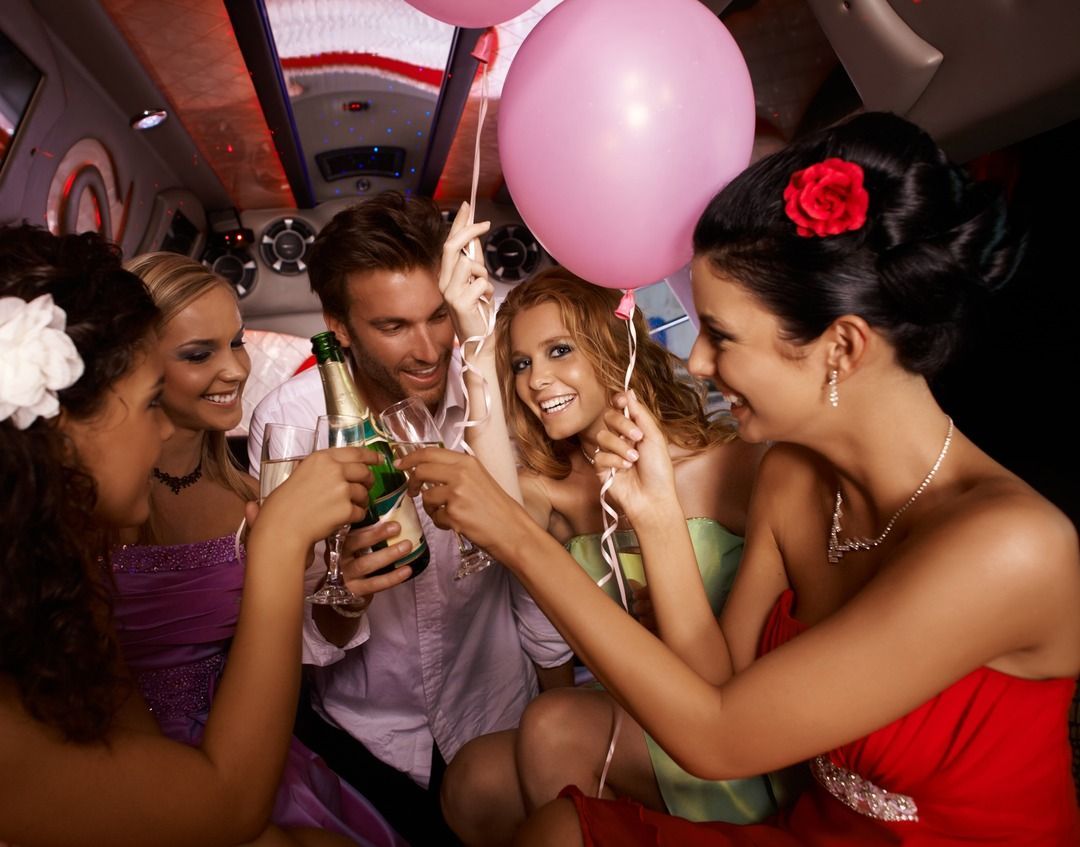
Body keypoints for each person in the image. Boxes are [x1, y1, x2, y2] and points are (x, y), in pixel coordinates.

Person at [398, 112, 1080, 845]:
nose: (695, 362)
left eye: (720, 334)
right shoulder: (793, 477)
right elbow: (718, 680)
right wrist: (658, 519)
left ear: (840, 347)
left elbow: (717, 737)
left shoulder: (1015, 546)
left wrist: (514, 539)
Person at [0, 225, 377, 846]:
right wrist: (278, 545)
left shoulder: (53, 579)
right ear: (64, 429)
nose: (157, 438)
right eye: (150, 402)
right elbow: (225, 807)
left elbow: (136, 753)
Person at [246, 191, 572, 845]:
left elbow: (531, 574)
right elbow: (300, 628)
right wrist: (347, 596)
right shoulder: (290, 420)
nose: (428, 350)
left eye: (437, 318)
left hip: (497, 707)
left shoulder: (490, 389)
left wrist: (556, 708)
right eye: (393, 326)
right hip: (372, 735)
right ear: (339, 326)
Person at [435, 264, 786, 845]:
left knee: (553, 725)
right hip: (623, 704)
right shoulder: (556, 489)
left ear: (611, 348)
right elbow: (497, 517)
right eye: (521, 363)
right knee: (473, 780)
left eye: (558, 350)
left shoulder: (733, 466)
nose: (536, 381)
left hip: (719, 712)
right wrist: (474, 333)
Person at [115, 251, 406, 846]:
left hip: (251, 737)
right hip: (129, 759)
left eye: (238, 343)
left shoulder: (254, 491)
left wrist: (343, 596)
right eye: (199, 355)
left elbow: (298, 645)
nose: (235, 371)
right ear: (135, 365)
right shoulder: (100, 504)